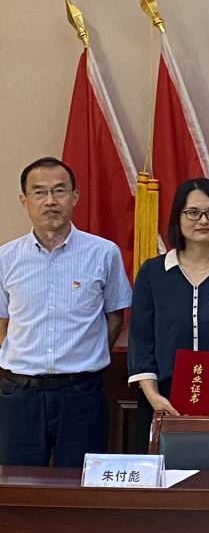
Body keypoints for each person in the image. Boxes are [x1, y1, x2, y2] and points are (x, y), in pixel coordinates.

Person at [0, 157, 130, 466]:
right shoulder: (6, 257)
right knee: (18, 485)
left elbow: (115, 316)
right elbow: (3, 322)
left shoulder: (103, 253)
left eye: (59, 191)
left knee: (79, 484)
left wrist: (86, 355)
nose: (50, 201)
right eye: (39, 192)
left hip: (81, 394)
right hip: (21, 395)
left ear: (75, 196)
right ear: (24, 200)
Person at [127, 179, 209, 438]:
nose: (203, 220)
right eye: (193, 212)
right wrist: (153, 396)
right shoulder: (153, 272)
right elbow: (141, 339)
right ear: (177, 217)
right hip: (162, 397)